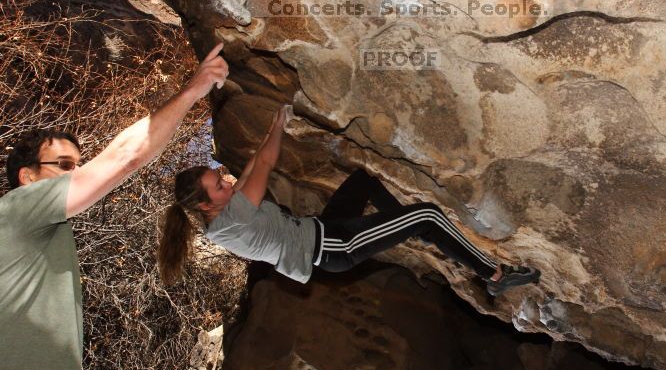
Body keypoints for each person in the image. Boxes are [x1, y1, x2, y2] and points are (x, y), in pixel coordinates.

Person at [0, 43, 229, 370]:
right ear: (28, 177)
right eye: (65, 166)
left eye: (80, 164)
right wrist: (194, 89)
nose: (78, 173)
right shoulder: (19, 208)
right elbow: (125, 157)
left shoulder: (29, 232)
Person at [158, 105, 540, 296]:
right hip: (334, 247)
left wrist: (272, 126)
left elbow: (250, 169)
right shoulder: (234, 218)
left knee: (362, 181)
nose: (225, 180)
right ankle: (495, 276)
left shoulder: (221, 215)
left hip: (323, 230)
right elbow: (267, 163)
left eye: (218, 174)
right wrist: (279, 126)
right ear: (207, 204)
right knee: (428, 214)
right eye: (218, 184)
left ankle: (413, 230)